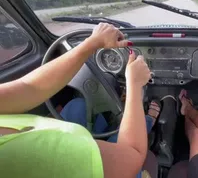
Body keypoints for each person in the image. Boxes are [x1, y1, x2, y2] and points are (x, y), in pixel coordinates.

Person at [0, 23, 154, 178]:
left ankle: (126, 122)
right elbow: (132, 157)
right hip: (121, 164)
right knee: (120, 139)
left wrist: (92, 43)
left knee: (77, 106)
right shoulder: (24, 155)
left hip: (61, 139)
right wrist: (135, 85)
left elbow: (28, 86)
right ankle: (147, 120)